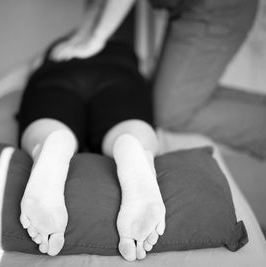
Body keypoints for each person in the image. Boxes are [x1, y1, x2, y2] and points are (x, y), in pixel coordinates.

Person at [50, 0, 266, 176]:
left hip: (219, 7)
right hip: (190, 7)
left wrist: (95, 39)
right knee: (172, 90)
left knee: (170, 111)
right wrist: (82, 36)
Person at [16, 19, 165, 263]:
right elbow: (146, 72)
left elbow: (23, 73)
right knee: (126, 127)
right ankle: (131, 143)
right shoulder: (124, 49)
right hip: (119, 73)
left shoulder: (58, 47)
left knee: (48, 126)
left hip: (57, 75)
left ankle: (52, 142)